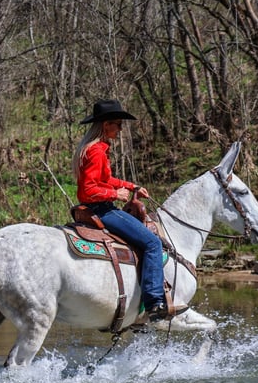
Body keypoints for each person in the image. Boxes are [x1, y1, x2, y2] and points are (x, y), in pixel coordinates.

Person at [73, 98, 182, 322]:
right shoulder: (96, 152)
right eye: (118, 124)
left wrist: (131, 187)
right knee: (152, 243)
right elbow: (87, 190)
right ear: (106, 126)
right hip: (101, 209)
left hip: (100, 206)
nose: (121, 129)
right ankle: (154, 302)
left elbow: (105, 179)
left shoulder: (97, 149)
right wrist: (115, 195)